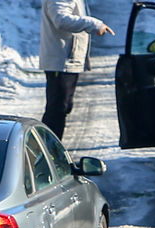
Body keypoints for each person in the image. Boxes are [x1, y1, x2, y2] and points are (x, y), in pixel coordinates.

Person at [40, 0, 113, 140]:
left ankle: (49, 151)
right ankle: (47, 153)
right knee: (57, 110)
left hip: (66, 60)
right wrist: (93, 24)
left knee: (62, 107)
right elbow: (61, 20)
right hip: (61, 61)